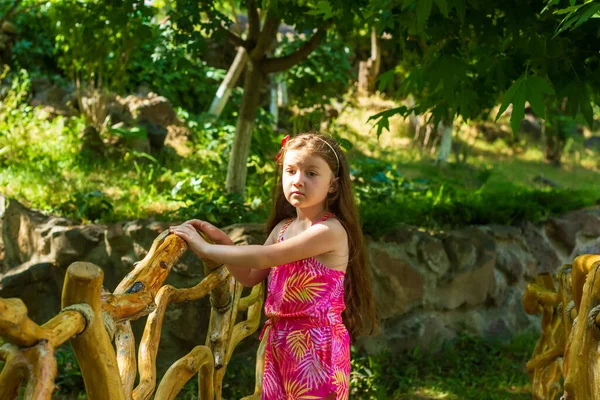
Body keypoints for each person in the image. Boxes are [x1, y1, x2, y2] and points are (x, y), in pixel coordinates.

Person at [170, 132, 378, 400]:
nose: (298, 180)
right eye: (290, 171)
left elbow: (264, 257)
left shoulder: (330, 230)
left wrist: (206, 248)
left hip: (316, 346)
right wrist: (223, 241)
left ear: (333, 185)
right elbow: (249, 276)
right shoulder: (283, 228)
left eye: (311, 174)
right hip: (279, 342)